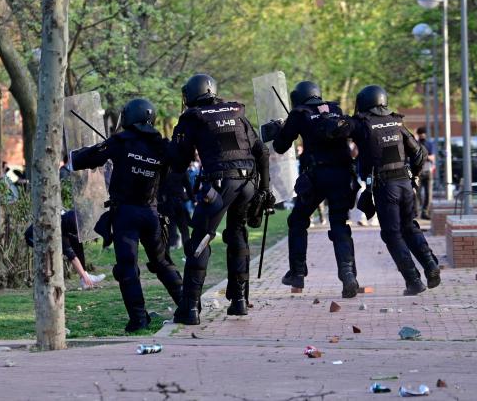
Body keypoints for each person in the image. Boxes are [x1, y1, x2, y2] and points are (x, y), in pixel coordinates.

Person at [71, 98, 182, 332]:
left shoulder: (120, 141)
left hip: (125, 215)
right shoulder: (163, 145)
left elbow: (82, 160)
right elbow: (174, 168)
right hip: (152, 214)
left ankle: (139, 319)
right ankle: (188, 306)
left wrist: (100, 149)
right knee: (162, 262)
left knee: (127, 267)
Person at [169, 74, 271, 323]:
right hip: (247, 184)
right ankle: (239, 301)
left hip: (219, 185)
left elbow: (180, 161)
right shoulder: (237, 113)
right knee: (237, 235)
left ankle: (190, 309)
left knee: (201, 240)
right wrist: (265, 190)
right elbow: (262, 152)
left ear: (192, 94)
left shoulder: (193, 118)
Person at [267, 81, 360, 298]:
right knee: (339, 224)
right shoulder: (335, 109)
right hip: (342, 175)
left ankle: (297, 273)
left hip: (316, 176)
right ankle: (348, 275)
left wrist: (280, 129)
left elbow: (281, 146)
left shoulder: (300, 113)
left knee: (298, 221)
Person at [348, 85, 440, 295]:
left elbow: (337, 130)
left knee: (392, 234)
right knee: (409, 227)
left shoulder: (362, 124)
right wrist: (414, 175)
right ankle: (431, 266)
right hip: (405, 184)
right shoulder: (397, 122)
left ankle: (413, 281)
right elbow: (420, 153)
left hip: (384, 186)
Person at [24, 210, 105, 289]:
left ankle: (84, 276)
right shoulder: (58, 233)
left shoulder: (66, 214)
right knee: (58, 253)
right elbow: (72, 258)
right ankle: (84, 279)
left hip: (55, 227)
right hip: (32, 237)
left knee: (76, 240)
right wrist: (84, 277)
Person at [415, 127, 435, 219]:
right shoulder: (415, 143)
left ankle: (425, 212)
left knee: (428, 193)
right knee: (416, 194)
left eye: (423, 133)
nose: (422, 135)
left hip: (428, 171)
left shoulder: (429, 143)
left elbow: (432, 158)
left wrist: (422, 156)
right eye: (421, 133)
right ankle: (417, 212)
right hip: (417, 172)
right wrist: (426, 156)